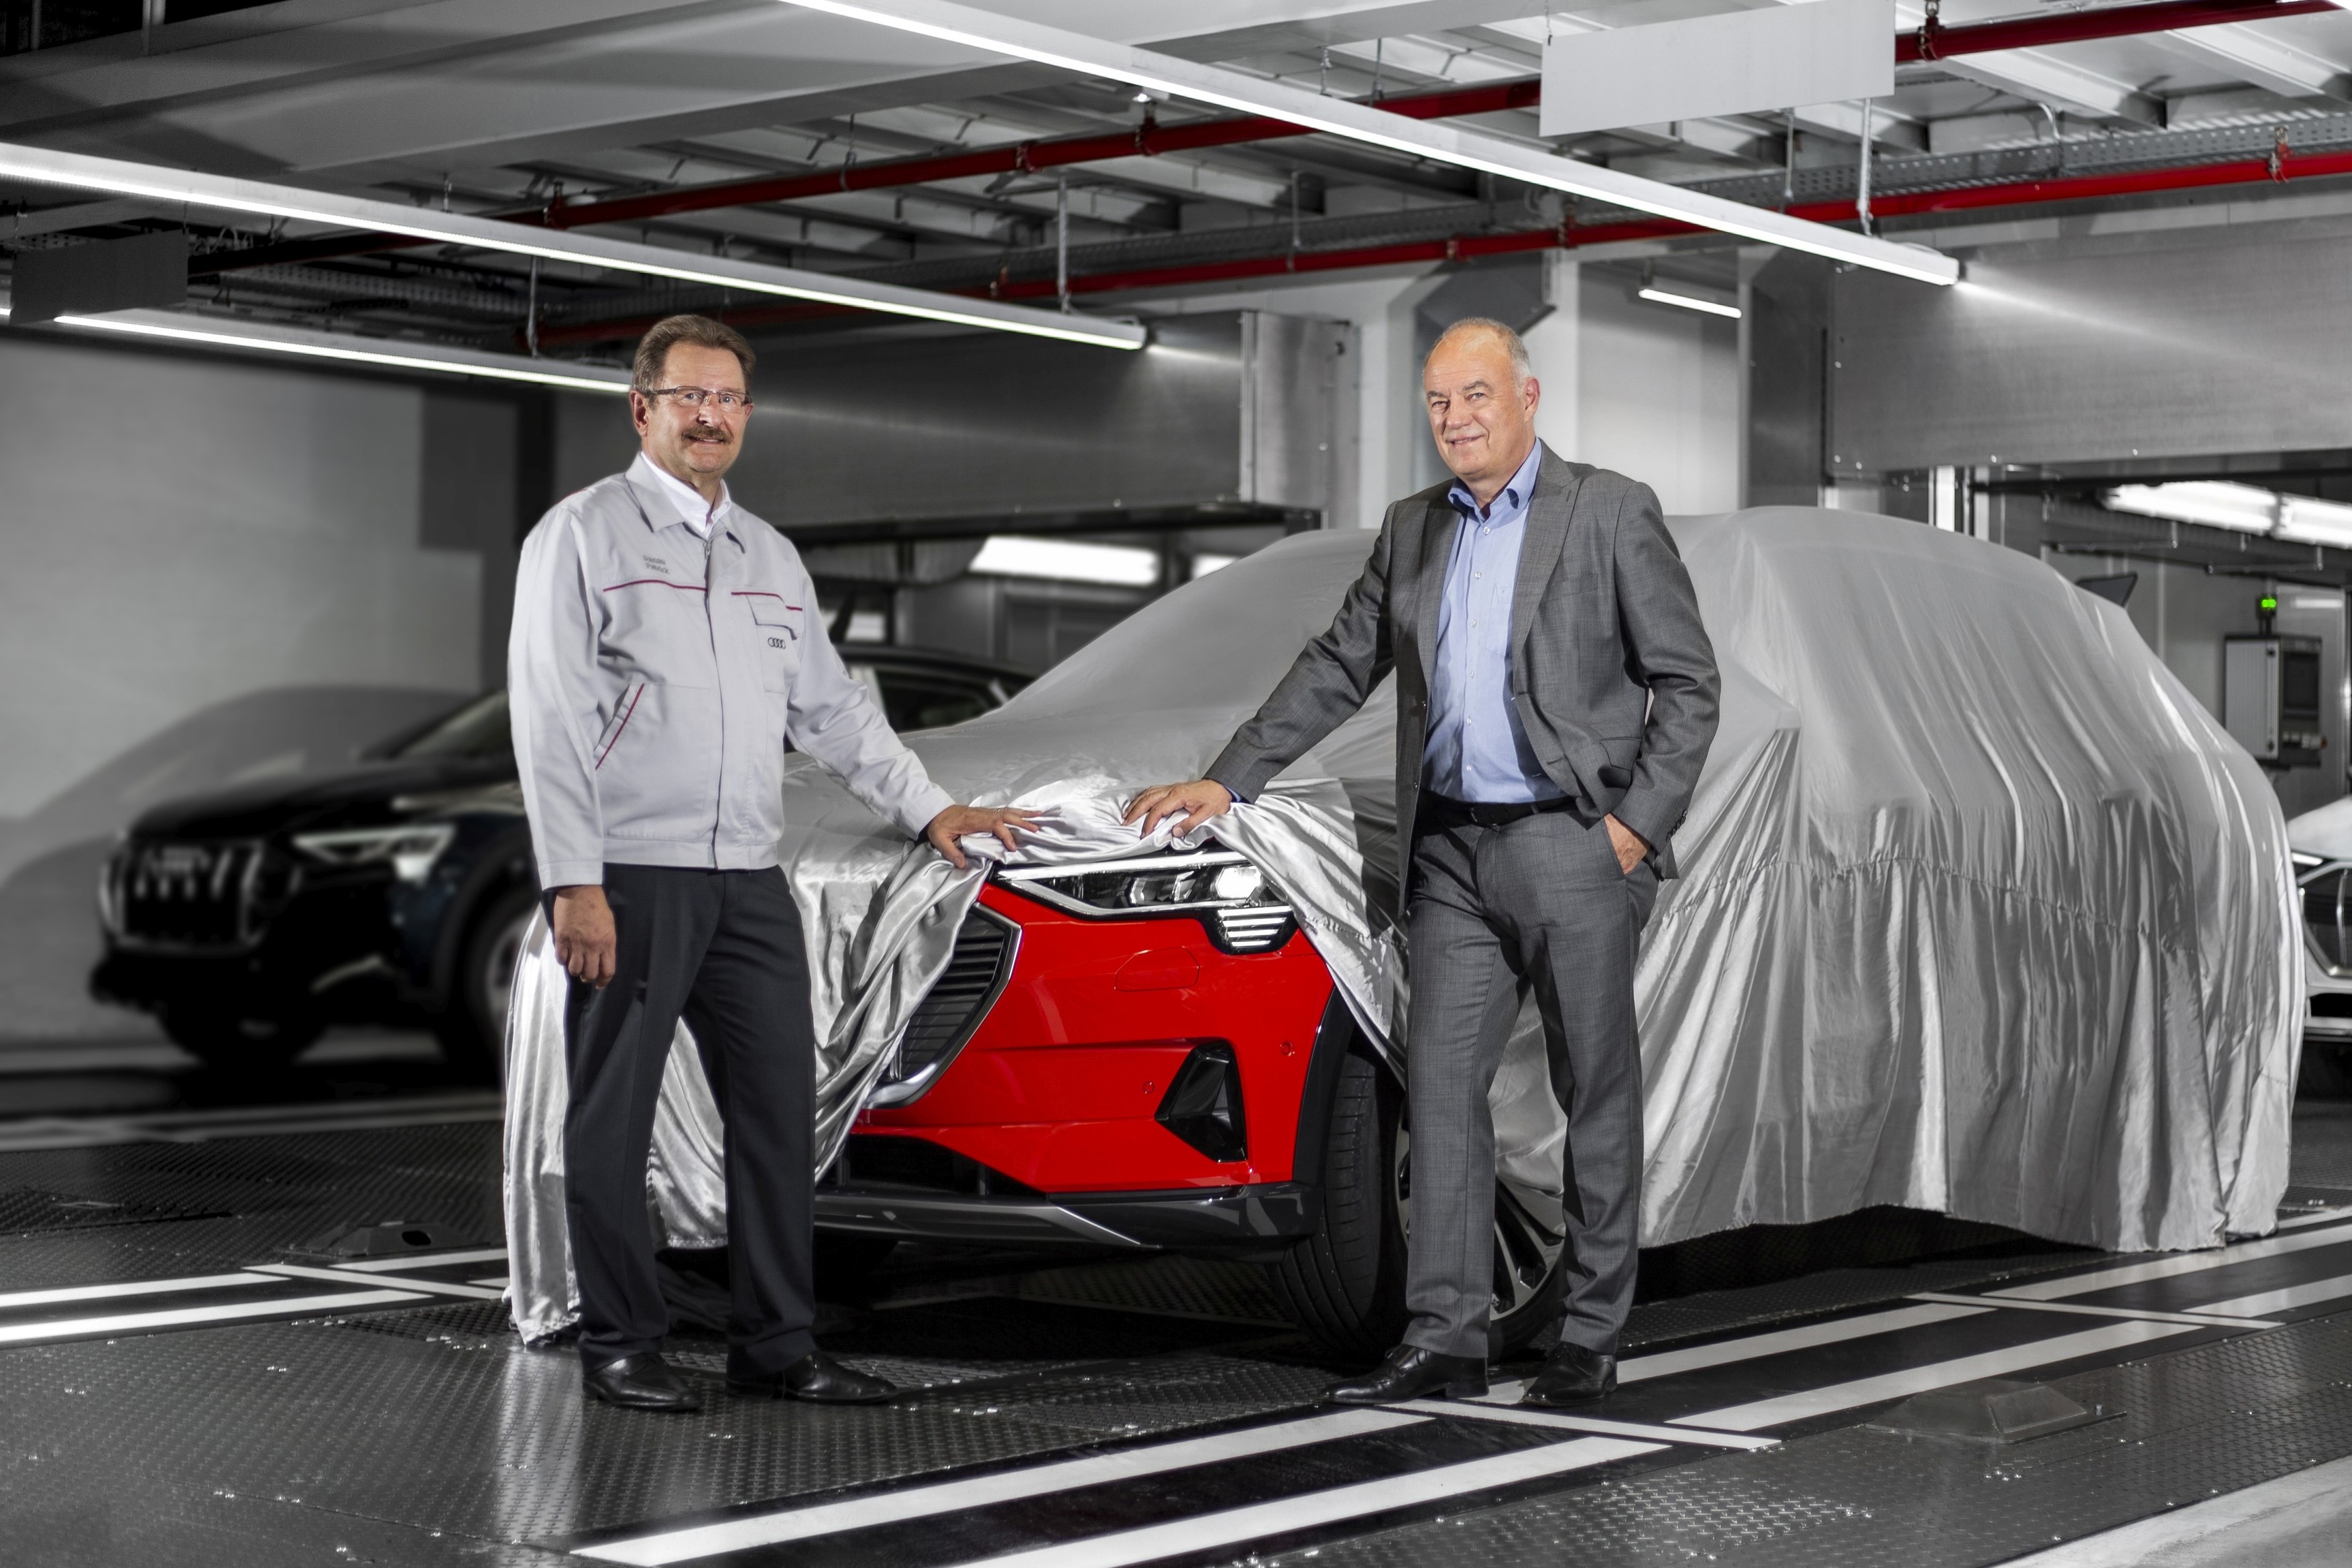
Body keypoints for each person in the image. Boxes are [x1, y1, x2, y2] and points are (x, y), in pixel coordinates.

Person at [1128, 317, 1718, 1408]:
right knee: (1441, 1094)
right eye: (1440, 403)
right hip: (1450, 849)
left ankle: (1589, 1336)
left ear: (1527, 398)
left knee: (1598, 1093)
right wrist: (1231, 778)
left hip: (1570, 841)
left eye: (1477, 397)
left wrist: (1631, 830)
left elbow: (1688, 683)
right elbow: (1339, 660)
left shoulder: (1608, 510)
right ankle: (1447, 1335)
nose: (1457, 420)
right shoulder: (1414, 528)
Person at [510, 314, 1031, 1413]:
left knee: (778, 1115)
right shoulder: (582, 535)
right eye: (691, 397)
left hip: (747, 880)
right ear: (642, 408)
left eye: (731, 400)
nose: (712, 417)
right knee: (613, 1116)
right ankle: (621, 1341)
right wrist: (574, 880)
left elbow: (835, 713)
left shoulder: (768, 557)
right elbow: (550, 719)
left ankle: (778, 1345)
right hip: (631, 873)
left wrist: (930, 809)